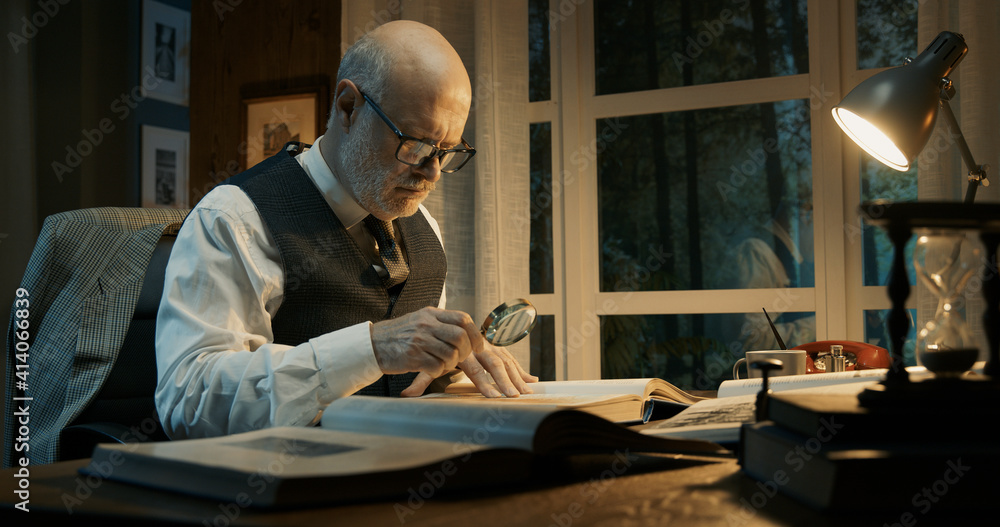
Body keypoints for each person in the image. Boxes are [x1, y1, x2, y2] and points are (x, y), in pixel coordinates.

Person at [154, 20, 536, 440]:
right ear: (349, 107)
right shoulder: (234, 218)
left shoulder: (423, 226)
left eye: (447, 151)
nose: (432, 173)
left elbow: (409, 379)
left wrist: (453, 363)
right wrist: (372, 349)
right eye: (416, 144)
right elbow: (189, 401)